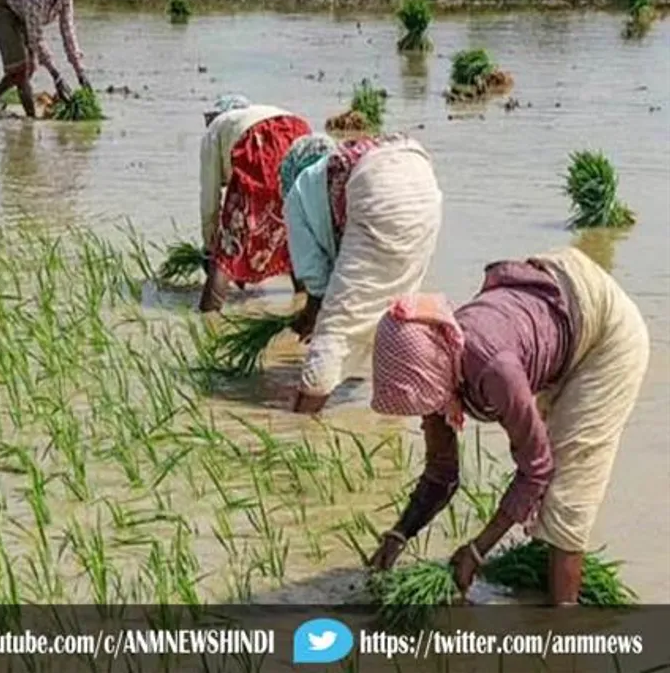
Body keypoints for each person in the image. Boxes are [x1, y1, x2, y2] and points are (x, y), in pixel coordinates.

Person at [366, 247, 648, 604]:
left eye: (423, 397)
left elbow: (536, 469)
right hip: (559, 294)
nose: (426, 409)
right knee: (545, 497)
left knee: (566, 497)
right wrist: (399, 534)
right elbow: (442, 472)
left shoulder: (493, 369)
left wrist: (478, 550)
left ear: (431, 371)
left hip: (606, 331)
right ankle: (534, 593)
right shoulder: (438, 360)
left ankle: (566, 635)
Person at [281, 132, 443, 413]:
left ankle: (299, 425)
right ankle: (399, 410)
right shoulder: (333, 170)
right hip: (421, 176)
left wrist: (311, 317)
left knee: (336, 327)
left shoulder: (297, 193)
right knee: (398, 309)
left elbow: (315, 278)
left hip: (378, 186)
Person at [198, 95, 312, 312]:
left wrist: (210, 245)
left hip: (259, 142)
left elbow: (209, 197)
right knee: (293, 231)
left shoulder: (215, 129)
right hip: (299, 133)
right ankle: (305, 304)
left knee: (229, 247)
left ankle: (208, 316)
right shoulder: (256, 114)